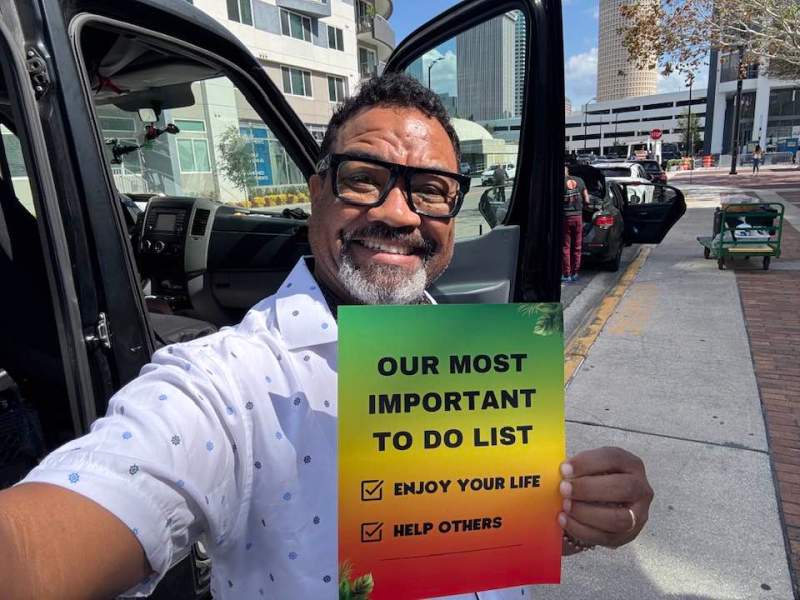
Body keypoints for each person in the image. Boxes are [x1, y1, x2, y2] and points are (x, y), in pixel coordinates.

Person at [0, 73, 653, 599]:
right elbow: (83, 510)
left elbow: (472, 527)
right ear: (317, 193)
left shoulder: (478, 362)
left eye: (430, 190)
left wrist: (573, 517)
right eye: (364, 179)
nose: (398, 213)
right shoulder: (226, 382)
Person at [562, 165, 590, 283]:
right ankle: (575, 272)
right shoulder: (580, 180)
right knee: (577, 246)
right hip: (578, 217)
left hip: (565, 217)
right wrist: (585, 206)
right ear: (568, 171)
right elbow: (587, 199)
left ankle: (566, 274)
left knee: (566, 246)